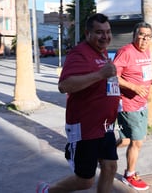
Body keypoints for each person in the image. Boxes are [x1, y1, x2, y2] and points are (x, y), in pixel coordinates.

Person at [36, 13, 121, 193]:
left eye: (108, 31)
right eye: (99, 32)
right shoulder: (79, 53)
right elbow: (64, 85)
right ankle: (47, 191)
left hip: (105, 126)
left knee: (110, 167)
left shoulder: (102, 52)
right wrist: (100, 74)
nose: (105, 36)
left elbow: (104, 84)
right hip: (85, 128)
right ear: (87, 33)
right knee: (85, 181)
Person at [113, 22, 152, 191]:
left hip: (142, 103)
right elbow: (112, 76)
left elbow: (144, 74)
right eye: (141, 35)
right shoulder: (126, 52)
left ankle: (103, 154)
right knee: (138, 141)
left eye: (148, 36)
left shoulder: (147, 51)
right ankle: (129, 175)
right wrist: (134, 87)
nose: (144, 39)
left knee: (127, 140)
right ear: (135, 35)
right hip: (128, 103)